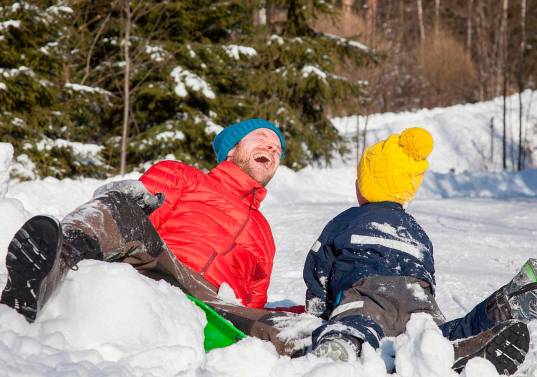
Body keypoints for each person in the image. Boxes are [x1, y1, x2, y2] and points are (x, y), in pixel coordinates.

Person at [0, 118, 304, 355]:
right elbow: (135, 217)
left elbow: (255, 299)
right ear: (232, 149)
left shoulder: (264, 232)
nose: (272, 149)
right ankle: (45, 270)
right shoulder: (182, 176)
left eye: (278, 149)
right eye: (262, 139)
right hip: (161, 267)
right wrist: (131, 202)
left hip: (217, 301)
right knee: (121, 205)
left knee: (295, 331)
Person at [303, 127, 533, 374]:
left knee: (360, 325)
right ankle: (492, 316)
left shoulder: (346, 221)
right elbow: (427, 276)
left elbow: (319, 268)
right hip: (418, 300)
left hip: (367, 296)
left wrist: (318, 311)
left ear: (365, 186)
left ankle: (344, 344)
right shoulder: (416, 230)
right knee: (434, 336)